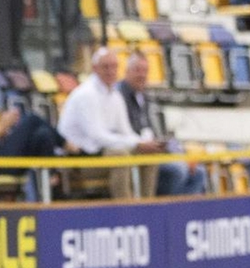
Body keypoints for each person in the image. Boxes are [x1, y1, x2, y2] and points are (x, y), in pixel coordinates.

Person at [57, 48, 165, 198]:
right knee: (120, 155)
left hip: (102, 152)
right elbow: (98, 137)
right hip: (80, 159)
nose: (111, 71)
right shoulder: (86, 95)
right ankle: (125, 211)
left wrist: (143, 143)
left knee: (149, 154)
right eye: (105, 67)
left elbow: (126, 131)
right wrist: (136, 144)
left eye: (114, 66)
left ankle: (146, 207)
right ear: (95, 68)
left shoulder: (115, 95)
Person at [118, 52, 205, 196]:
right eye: (138, 70)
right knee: (178, 171)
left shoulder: (146, 97)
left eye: (145, 71)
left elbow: (156, 133)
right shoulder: (118, 96)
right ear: (127, 71)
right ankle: (168, 213)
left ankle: (184, 214)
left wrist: (180, 154)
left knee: (198, 171)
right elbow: (125, 133)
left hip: (155, 150)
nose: (142, 75)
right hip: (136, 153)